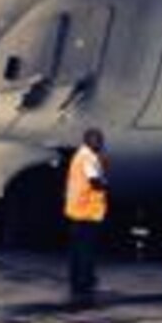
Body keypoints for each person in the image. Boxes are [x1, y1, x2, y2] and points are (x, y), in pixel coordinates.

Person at [63, 128, 110, 303]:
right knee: (86, 251)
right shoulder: (89, 158)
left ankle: (76, 281)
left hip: (76, 210)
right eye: (97, 140)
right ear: (89, 141)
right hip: (88, 212)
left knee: (76, 250)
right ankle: (85, 283)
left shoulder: (78, 156)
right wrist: (105, 183)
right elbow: (95, 182)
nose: (100, 144)